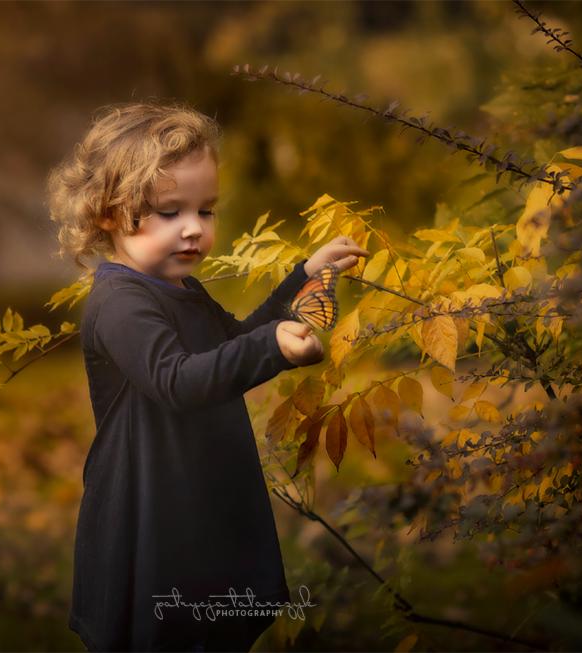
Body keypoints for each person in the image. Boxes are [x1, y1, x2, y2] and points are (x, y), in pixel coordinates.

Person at [46, 100, 369, 652]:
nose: (194, 229)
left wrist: (303, 278)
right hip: (154, 509)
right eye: (170, 212)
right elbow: (178, 381)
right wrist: (273, 346)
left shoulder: (182, 289)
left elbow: (232, 346)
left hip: (200, 497)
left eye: (207, 210)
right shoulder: (120, 302)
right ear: (107, 213)